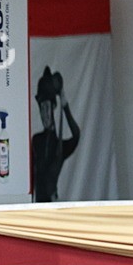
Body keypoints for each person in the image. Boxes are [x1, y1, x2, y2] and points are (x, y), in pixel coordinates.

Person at [31, 67, 81, 202]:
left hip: (52, 204)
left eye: (47, 107)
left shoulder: (60, 147)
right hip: (36, 205)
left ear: (53, 107)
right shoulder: (36, 141)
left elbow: (76, 135)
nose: (45, 114)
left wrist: (64, 102)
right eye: (42, 108)